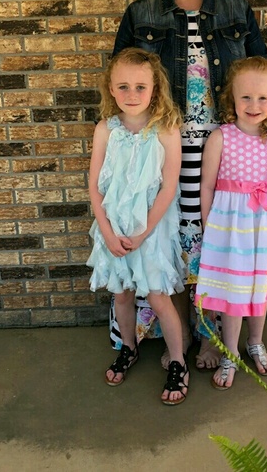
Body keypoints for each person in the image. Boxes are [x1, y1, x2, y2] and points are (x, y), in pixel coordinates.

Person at [110, 0, 267, 371]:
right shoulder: (141, 13)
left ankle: (213, 336)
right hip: (163, 146)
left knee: (214, 242)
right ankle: (177, 336)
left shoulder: (235, 9)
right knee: (172, 240)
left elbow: (265, 77)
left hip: (226, 146)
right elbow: (122, 84)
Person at [87, 48, 189, 406]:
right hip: (114, 228)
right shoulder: (106, 130)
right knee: (122, 294)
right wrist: (107, 232)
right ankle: (128, 347)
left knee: (158, 296)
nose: (132, 94)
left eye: (140, 87)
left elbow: (169, 187)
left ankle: (178, 362)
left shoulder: (166, 130)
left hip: (151, 230)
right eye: (124, 87)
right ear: (111, 89)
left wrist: (143, 234)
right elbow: (94, 185)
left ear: (155, 89)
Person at [195, 57, 267, 390]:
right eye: (245, 97)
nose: (254, 105)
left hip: (266, 232)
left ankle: (255, 343)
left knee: (259, 291)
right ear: (232, 97)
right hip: (231, 234)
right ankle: (230, 354)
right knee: (234, 295)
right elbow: (207, 186)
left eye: (262, 98)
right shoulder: (221, 138)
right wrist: (209, 227)